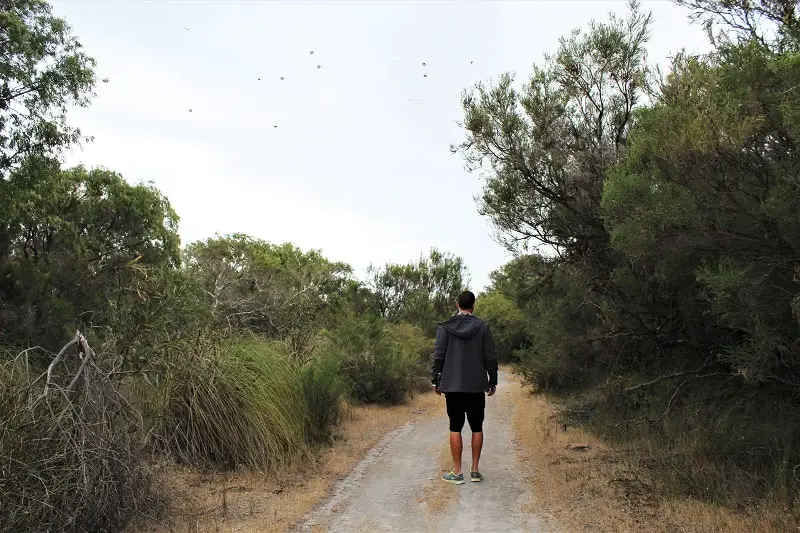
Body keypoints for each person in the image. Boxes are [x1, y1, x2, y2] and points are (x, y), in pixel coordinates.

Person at [431, 290, 498, 485]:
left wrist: (435, 380)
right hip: (476, 386)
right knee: (477, 427)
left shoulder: (446, 327)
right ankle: (475, 471)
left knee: (455, 427)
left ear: (456, 304)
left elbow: (439, 355)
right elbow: (490, 356)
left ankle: (457, 473)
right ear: (473, 305)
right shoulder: (482, 327)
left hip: (452, 386)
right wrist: (492, 380)